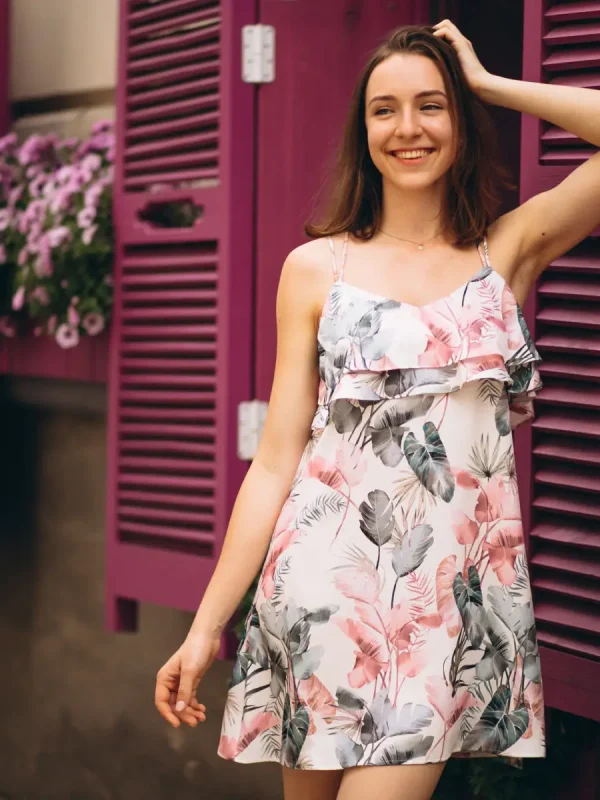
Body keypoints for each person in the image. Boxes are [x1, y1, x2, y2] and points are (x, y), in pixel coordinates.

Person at [155, 20, 600, 800]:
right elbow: (275, 466)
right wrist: (203, 629)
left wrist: (487, 84)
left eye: (432, 106)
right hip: (319, 596)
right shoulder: (316, 268)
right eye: (384, 109)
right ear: (364, 132)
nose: (408, 128)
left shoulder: (506, 254)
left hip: (440, 615)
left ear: (460, 122)